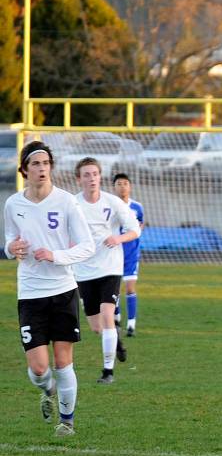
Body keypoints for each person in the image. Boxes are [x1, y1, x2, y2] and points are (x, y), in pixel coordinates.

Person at [5, 141, 96, 436]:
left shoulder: (66, 202)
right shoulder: (13, 204)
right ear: (24, 170)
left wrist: (55, 256)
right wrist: (11, 248)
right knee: (39, 369)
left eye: (46, 163)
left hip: (63, 290)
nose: (42, 168)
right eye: (36, 164)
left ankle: (66, 422)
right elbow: (9, 242)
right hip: (30, 293)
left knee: (63, 361)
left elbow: (88, 246)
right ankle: (48, 390)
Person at [73, 158, 141, 384]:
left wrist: (118, 238)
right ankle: (116, 341)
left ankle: (107, 372)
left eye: (95, 174)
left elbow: (135, 230)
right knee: (96, 327)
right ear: (79, 179)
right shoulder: (73, 204)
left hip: (110, 267)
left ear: (100, 177)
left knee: (107, 314)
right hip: (84, 270)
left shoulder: (113, 202)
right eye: (86, 174)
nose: (92, 178)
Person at [112, 173, 144, 337]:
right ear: (114, 187)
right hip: (114, 254)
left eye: (125, 183)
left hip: (131, 254)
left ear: (130, 187)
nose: (122, 187)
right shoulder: (110, 206)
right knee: (114, 289)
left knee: (130, 288)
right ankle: (116, 320)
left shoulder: (137, 207)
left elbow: (140, 226)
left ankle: (131, 325)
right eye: (119, 184)